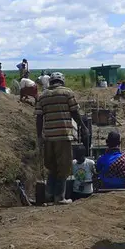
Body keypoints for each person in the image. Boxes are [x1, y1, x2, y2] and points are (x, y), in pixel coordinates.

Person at [35, 72, 83, 205]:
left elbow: (39, 117)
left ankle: (48, 195)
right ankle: (60, 197)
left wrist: (39, 136)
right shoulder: (67, 93)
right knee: (64, 167)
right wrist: (83, 126)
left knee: (52, 167)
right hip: (63, 136)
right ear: (62, 81)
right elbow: (75, 112)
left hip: (49, 137)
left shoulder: (42, 95)